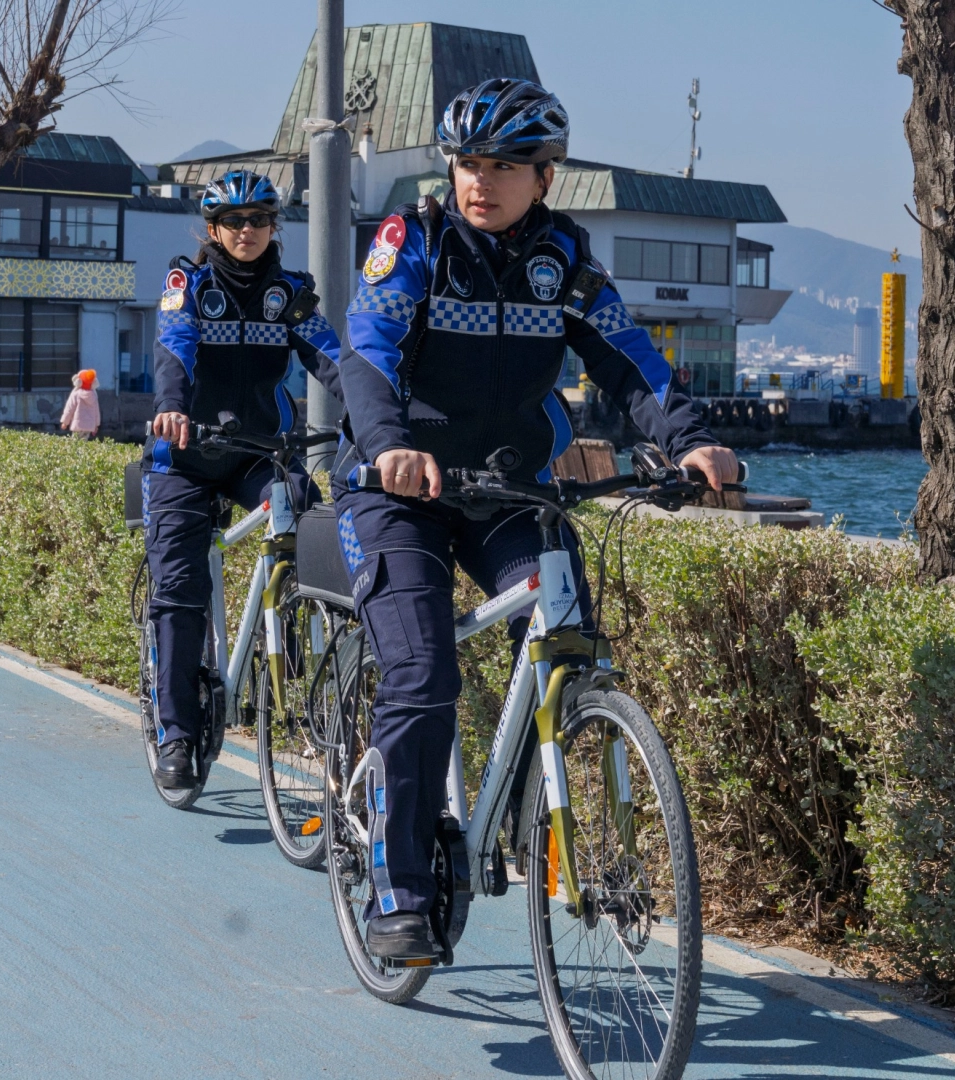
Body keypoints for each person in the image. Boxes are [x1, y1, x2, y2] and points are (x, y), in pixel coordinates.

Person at [335, 78, 739, 958]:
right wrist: (391, 444)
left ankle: (514, 819)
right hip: (397, 491)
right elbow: (366, 353)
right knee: (423, 672)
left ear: (545, 177)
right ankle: (398, 889)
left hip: (508, 493)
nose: (481, 181)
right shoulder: (416, 242)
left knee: (566, 638)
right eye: (468, 164)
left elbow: (630, 362)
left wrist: (693, 441)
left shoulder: (566, 261)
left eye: (505, 167)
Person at [142, 170, 343, 791]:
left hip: (257, 452)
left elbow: (332, 357)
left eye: (258, 219)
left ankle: (296, 640)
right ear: (213, 229)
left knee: (303, 505)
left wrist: (376, 417)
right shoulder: (189, 284)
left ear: (273, 227)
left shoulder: (290, 293)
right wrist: (172, 408)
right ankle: (177, 735)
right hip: (185, 454)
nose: (247, 230)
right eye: (233, 221)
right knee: (180, 591)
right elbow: (174, 348)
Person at [60, 368, 101, 438]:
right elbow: (96, 411)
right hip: (89, 425)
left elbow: (69, 408)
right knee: (83, 443)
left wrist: (65, 422)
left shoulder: (76, 394)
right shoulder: (94, 395)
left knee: (75, 443)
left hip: (77, 425)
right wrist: (96, 424)